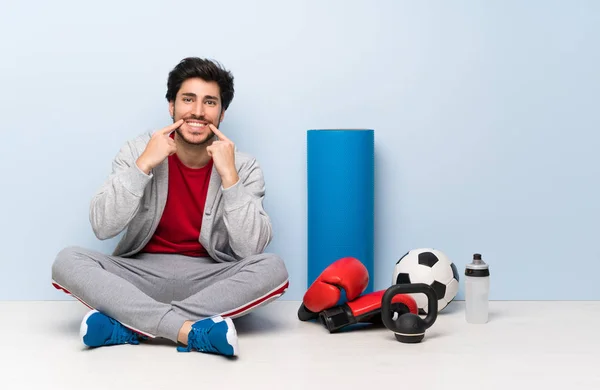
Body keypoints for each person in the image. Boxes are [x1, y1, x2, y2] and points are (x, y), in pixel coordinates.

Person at [51, 57, 289, 357]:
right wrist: (143, 165)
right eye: (188, 99)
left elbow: (250, 249)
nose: (198, 112)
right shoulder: (138, 151)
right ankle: (188, 331)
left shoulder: (244, 166)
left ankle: (130, 325)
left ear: (222, 113)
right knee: (67, 260)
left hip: (209, 281)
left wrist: (230, 178)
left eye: (210, 102)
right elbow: (102, 226)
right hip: (140, 276)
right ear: (171, 106)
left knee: (273, 268)